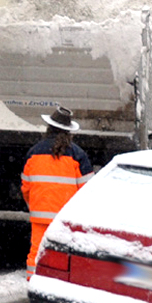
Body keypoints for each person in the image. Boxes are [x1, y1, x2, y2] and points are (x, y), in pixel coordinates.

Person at [21, 106, 93, 280]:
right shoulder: (77, 155)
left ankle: (33, 282)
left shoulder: (34, 153)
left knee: (36, 252)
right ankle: (59, 283)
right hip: (65, 217)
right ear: (69, 132)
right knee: (64, 253)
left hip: (40, 214)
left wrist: (35, 205)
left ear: (48, 128)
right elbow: (88, 190)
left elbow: (26, 186)